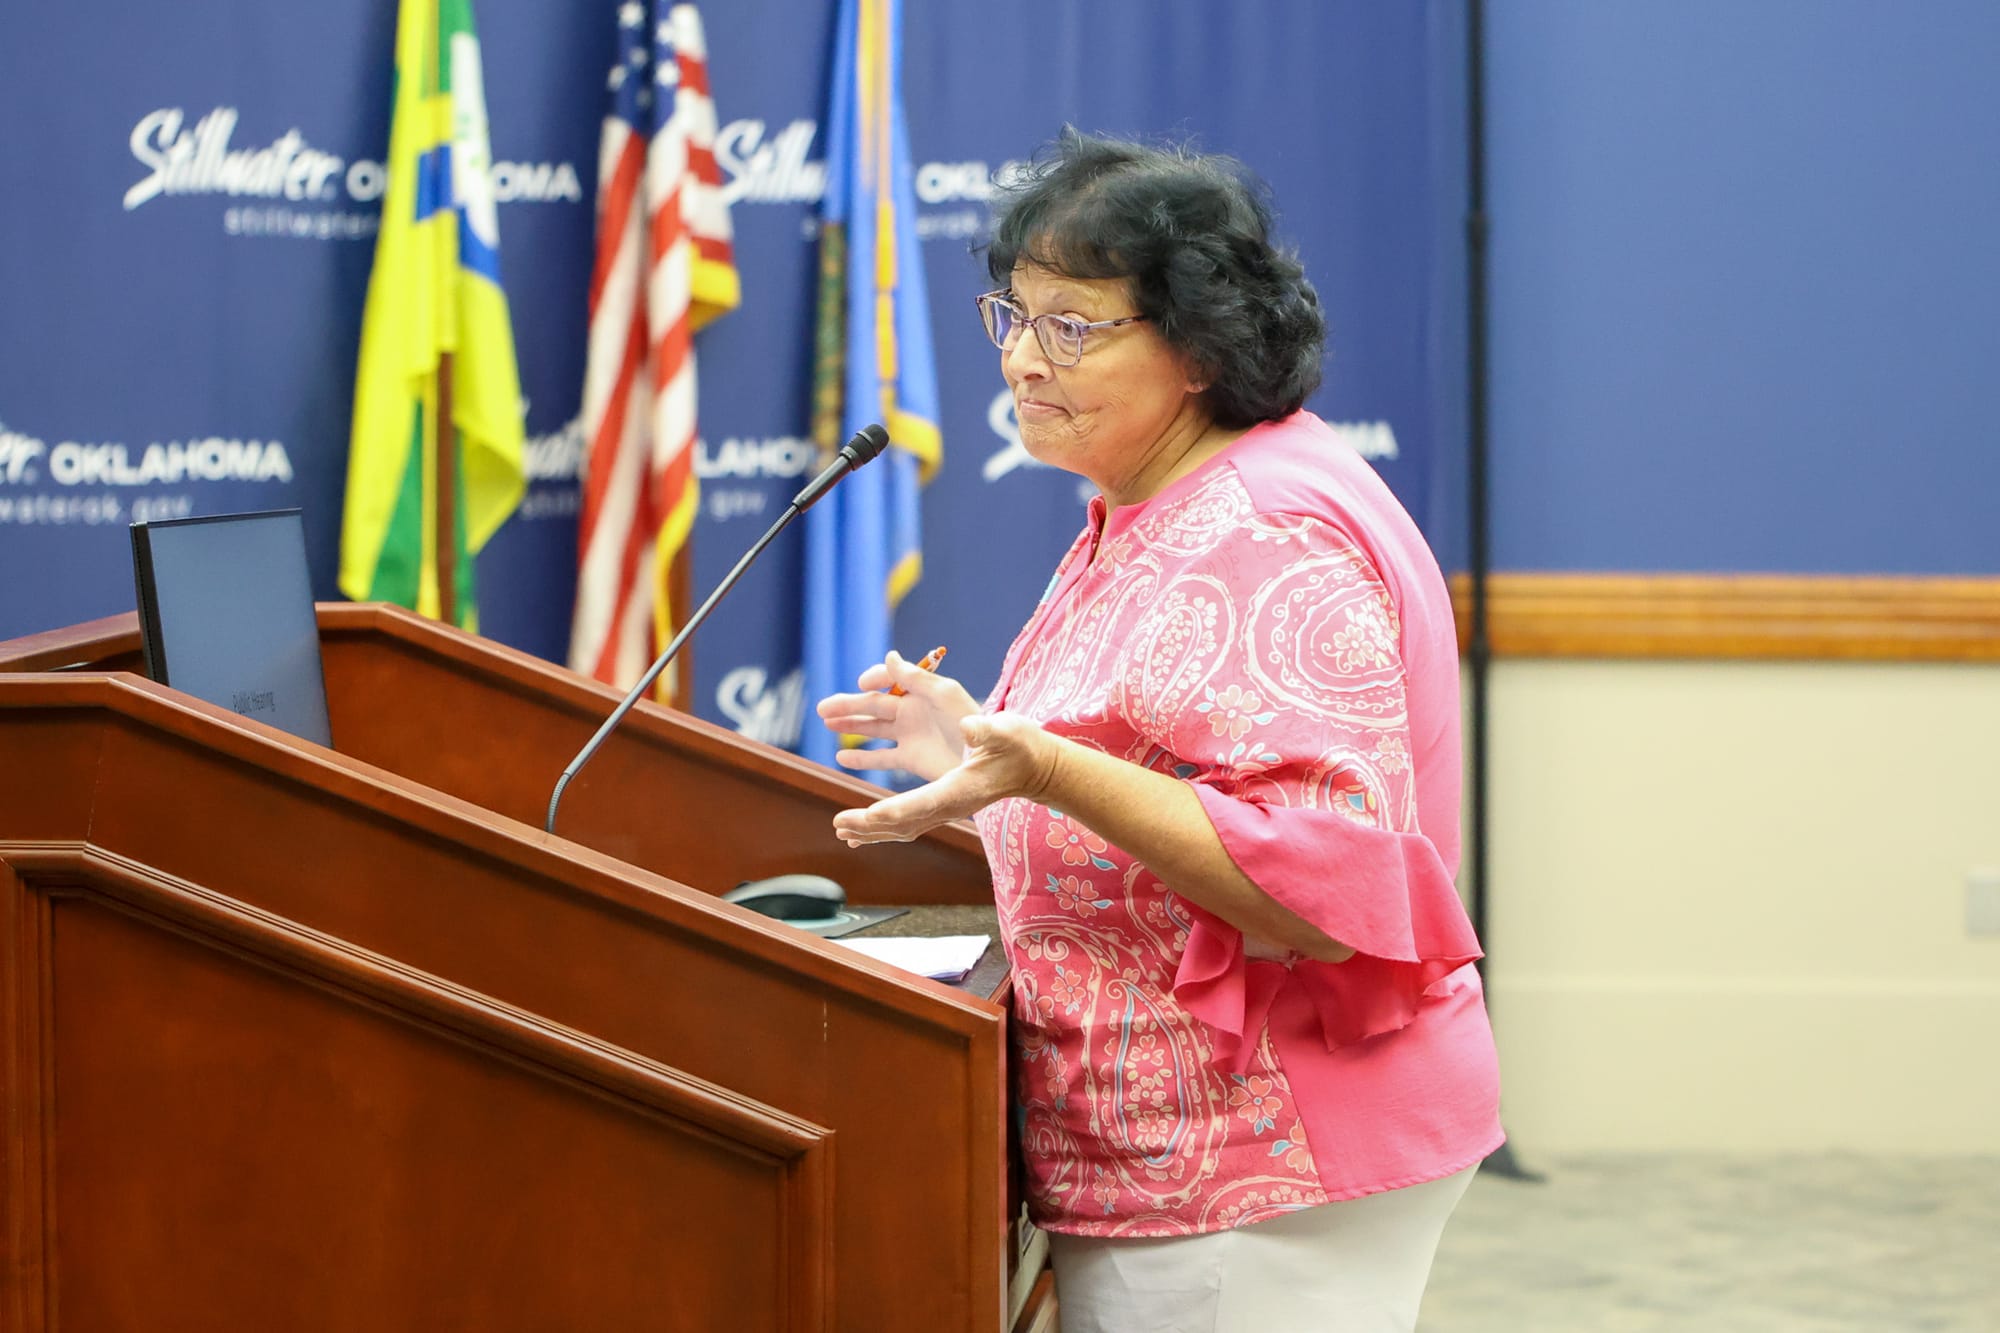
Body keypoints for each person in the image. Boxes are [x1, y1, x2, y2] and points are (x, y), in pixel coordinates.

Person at [815, 130, 1502, 1333]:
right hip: (1196, 1154)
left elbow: (1327, 883)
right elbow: (1152, 787)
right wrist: (989, 768)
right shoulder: (1158, 498)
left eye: (1070, 326)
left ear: (1193, 344)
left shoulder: (1265, 532)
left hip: (1254, 1161)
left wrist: (1045, 766)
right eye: (1013, 317)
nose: (1023, 361)